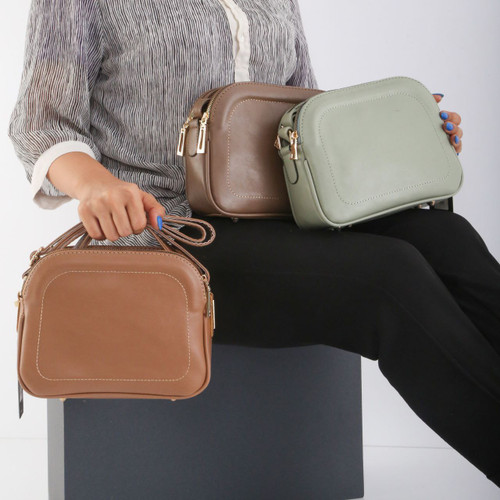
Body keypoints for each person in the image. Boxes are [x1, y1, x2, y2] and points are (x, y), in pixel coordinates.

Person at [7, 0, 500, 488]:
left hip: (278, 210)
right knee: (387, 276)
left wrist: (408, 134)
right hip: (168, 225)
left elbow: (300, 114)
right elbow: (41, 124)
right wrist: (98, 187)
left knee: (446, 237)